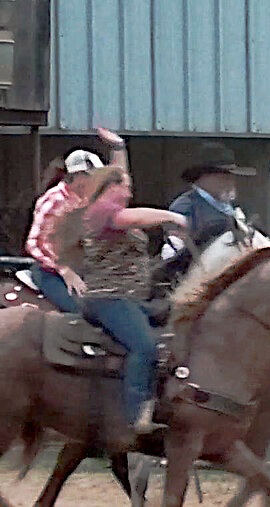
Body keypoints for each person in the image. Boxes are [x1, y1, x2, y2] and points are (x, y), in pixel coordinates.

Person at [50, 167, 189, 432]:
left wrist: (118, 147)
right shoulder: (102, 212)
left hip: (130, 300)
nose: (129, 192)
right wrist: (173, 216)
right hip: (109, 299)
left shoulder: (106, 210)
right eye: (124, 186)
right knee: (145, 346)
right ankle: (133, 416)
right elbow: (131, 217)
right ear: (109, 187)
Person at [25, 129, 129, 312]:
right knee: (79, 309)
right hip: (51, 272)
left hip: (82, 268)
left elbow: (119, 182)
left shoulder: (88, 199)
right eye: (93, 176)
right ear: (79, 176)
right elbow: (35, 243)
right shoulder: (53, 200)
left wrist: (119, 148)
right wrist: (65, 270)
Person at [155, 142, 257, 291]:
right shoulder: (185, 207)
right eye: (223, 175)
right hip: (199, 286)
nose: (230, 181)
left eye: (231, 176)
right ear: (203, 177)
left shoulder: (235, 208)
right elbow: (176, 256)